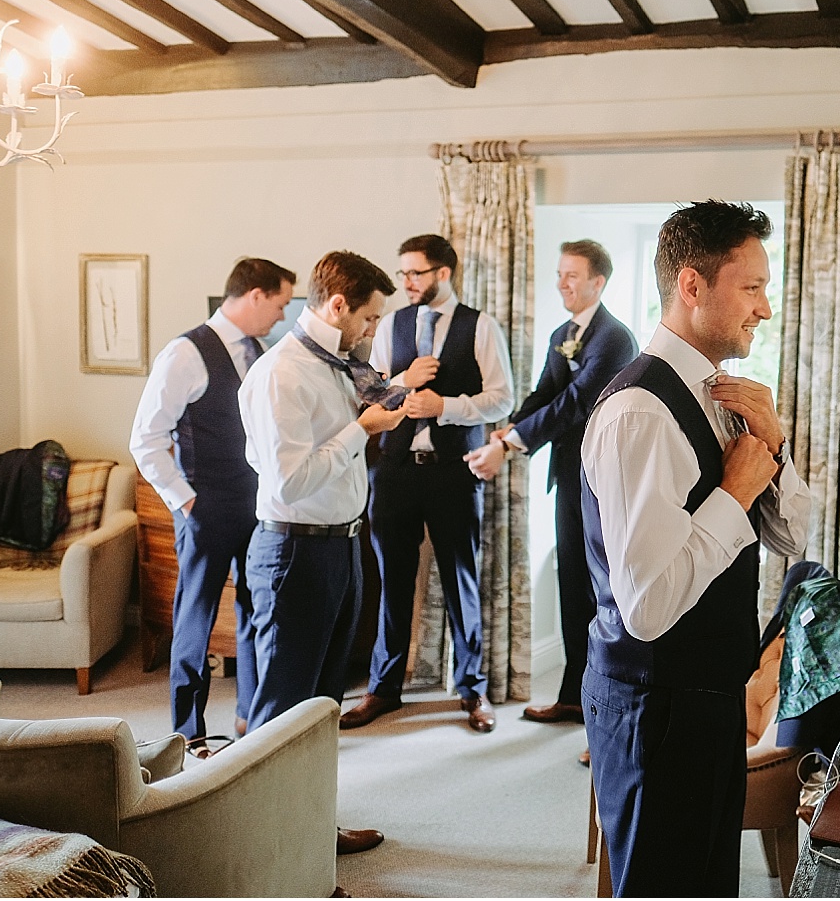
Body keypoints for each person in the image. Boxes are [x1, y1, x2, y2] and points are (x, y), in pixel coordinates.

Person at [579, 201, 812, 897]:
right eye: (752, 287)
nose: (764, 308)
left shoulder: (724, 396)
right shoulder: (640, 413)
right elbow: (646, 607)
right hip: (657, 706)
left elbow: (791, 538)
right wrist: (734, 494)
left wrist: (773, 442)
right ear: (692, 285)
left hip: (707, 696)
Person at [238, 250, 404, 856]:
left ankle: (309, 832)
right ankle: (264, 849)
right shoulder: (285, 372)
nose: (373, 331)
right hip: (294, 553)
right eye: (369, 318)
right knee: (283, 710)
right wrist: (362, 429)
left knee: (322, 704)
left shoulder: (339, 363)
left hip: (342, 546)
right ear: (338, 305)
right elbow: (288, 483)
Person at [340, 235, 515, 735]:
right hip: (392, 472)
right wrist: (404, 379)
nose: (407, 283)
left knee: (462, 579)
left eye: (415, 273)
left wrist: (448, 407)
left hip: (454, 472)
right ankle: (384, 687)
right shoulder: (391, 324)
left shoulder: (480, 326)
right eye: (404, 274)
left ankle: (472, 689)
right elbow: (366, 391)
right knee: (392, 580)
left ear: (443, 273)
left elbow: (502, 399)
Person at [465, 240, 637, 739]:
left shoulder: (614, 338)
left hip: (603, 480)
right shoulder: (564, 334)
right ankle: (571, 695)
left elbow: (578, 404)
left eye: (572, 275)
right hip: (568, 473)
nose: (562, 283)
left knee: (596, 586)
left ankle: (601, 698)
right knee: (570, 585)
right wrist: (507, 429)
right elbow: (547, 391)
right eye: (559, 274)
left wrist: (513, 443)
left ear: (597, 282)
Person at [129, 257, 294, 755]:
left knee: (255, 609)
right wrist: (185, 500)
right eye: (281, 304)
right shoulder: (185, 353)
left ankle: (250, 716)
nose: (282, 316)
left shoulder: (262, 352)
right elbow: (146, 439)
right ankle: (187, 730)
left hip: (259, 504)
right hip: (205, 506)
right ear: (256, 295)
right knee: (195, 618)